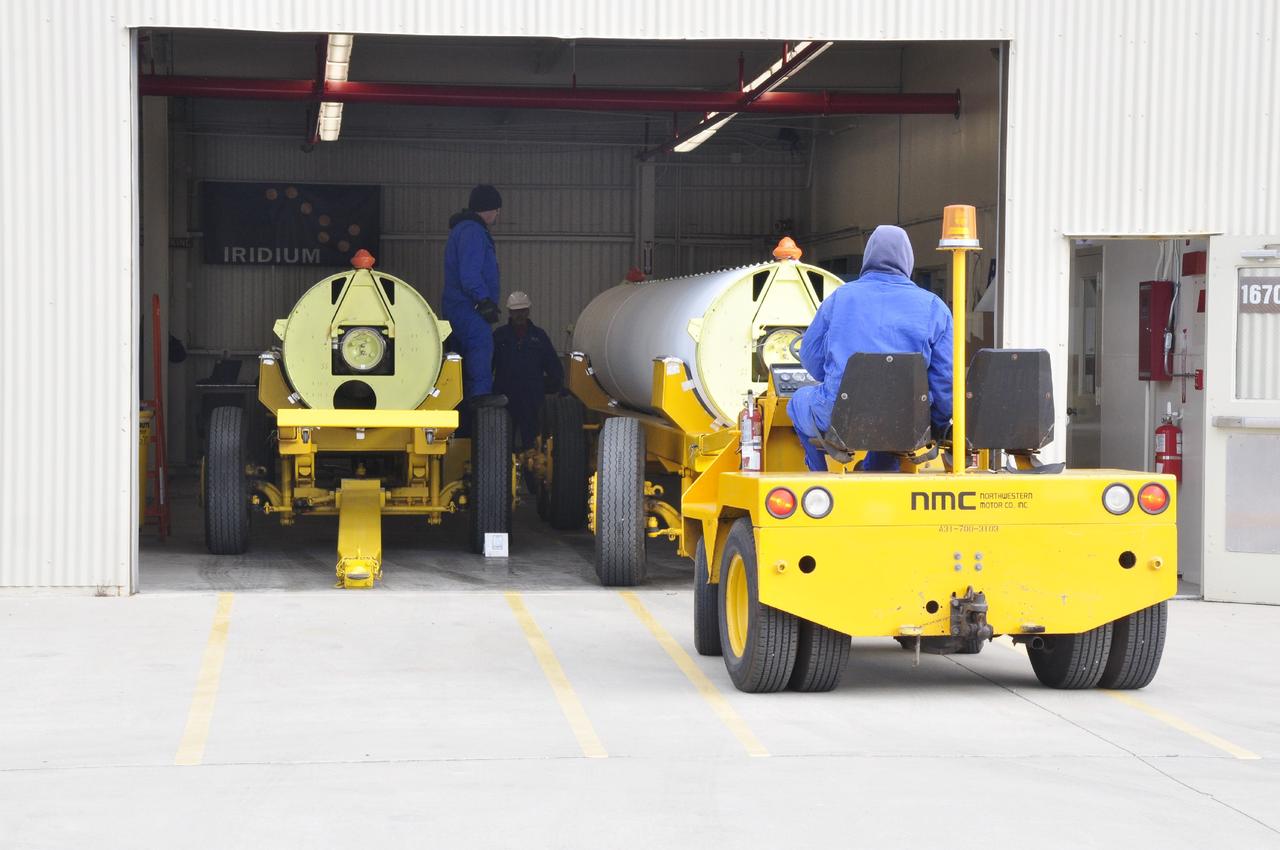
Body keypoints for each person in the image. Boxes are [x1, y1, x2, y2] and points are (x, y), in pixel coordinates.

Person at [790, 224, 953, 471]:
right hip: (908, 420)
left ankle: (819, 477)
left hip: (840, 415)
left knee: (798, 400)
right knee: (893, 419)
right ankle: (878, 471)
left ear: (868, 257)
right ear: (908, 259)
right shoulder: (934, 306)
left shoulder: (840, 297)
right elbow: (945, 379)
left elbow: (810, 354)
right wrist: (937, 425)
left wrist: (840, 380)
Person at [443, 184, 504, 402]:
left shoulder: (462, 230)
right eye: (497, 209)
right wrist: (484, 300)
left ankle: (461, 410)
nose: (498, 214)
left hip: (457, 306)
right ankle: (481, 402)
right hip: (469, 309)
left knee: (459, 360)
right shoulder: (474, 232)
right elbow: (469, 273)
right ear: (489, 209)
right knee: (480, 349)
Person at [492, 291, 564, 449]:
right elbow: (488, 367)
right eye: (516, 311)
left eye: (522, 310)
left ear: (528, 311)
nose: (519, 315)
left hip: (531, 400)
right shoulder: (499, 337)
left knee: (532, 443)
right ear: (510, 312)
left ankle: (532, 472)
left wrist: (553, 386)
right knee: (502, 442)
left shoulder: (539, 337)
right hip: (504, 400)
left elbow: (553, 366)